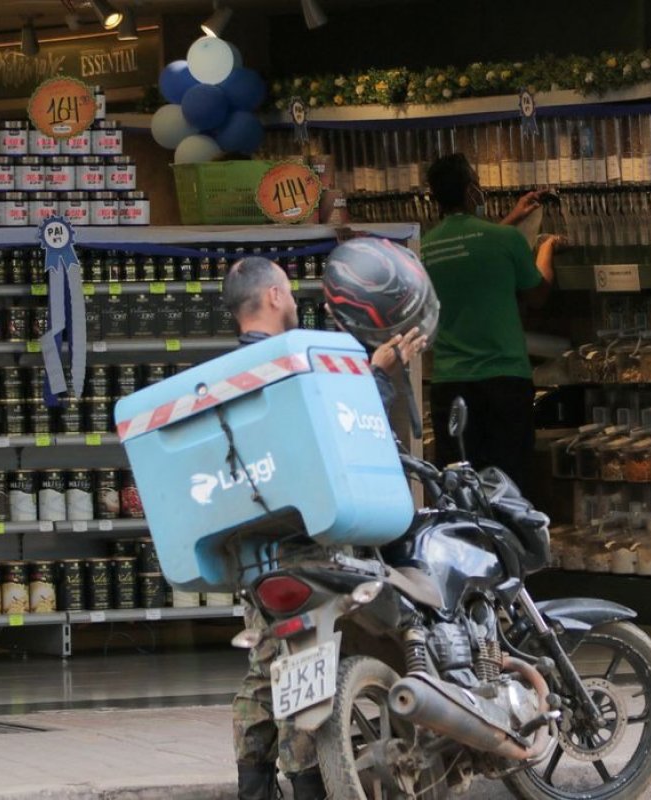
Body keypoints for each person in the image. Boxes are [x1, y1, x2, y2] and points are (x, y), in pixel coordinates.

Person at [223, 253, 427, 800]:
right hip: (306, 542)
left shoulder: (225, 375)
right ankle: (310, 785)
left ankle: (254, 788)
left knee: (266, 668)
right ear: (271, 297)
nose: (293, 300)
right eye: (288, 292)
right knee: (301, 671)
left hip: (254, 549)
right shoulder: (288, 362)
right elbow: (339, 433)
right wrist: (380, 379)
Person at [422, 153, 562, 489]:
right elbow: (537, 294)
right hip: (504, 384)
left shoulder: (423, 249)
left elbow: (466, 248)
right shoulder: (506, 241)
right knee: (508, 484)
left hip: (449, 385)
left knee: (460, 485)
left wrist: (511, 218)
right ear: (472, 191)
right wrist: (546, 248)